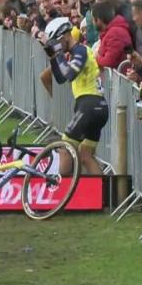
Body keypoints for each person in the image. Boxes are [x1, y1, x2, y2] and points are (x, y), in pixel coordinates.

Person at [42, 17, 108, 175]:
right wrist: (53, 57)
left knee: (65, 148)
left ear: (65, 36)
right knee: (85, 155)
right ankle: (104, 195)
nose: (56, 46)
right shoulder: (74, 53)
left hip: (89, 105)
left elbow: (70, 75)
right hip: (98, 106)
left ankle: (63, 193)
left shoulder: (80, 50)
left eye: (56, 42)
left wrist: (58, 55)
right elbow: (60, 78)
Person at [93, 1, 132, 69]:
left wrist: (96, 57)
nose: (92, 22)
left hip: (120, 77)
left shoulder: (115, 33)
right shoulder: (108, 32)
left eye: (93, 19)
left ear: (98, 20)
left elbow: (108, 62)